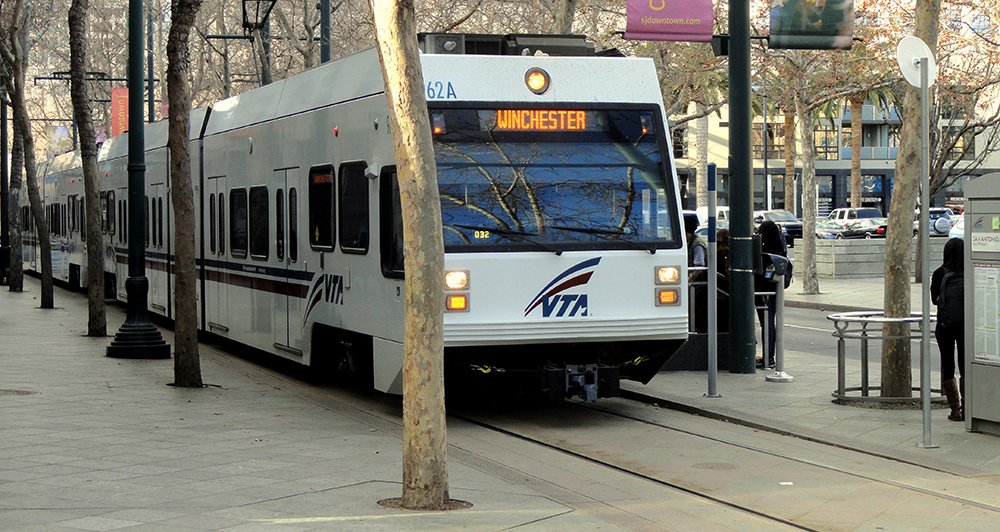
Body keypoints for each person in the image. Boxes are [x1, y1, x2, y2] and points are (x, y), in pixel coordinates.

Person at [932, 237, 965, 421]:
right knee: (965, 365)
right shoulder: (969, 271)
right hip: (965, 326)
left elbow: (933, 298)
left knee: (948, 365)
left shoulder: (939, 273)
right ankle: (968, 408)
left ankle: (955, 410)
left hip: (945, 325)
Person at [756, 220, 786, 368]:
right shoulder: (780, 249)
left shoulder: (765, 250)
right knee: (770, 323)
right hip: (774, 290)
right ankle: (770, 357)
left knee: (766, 324)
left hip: (763, 290)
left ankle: (768, 358)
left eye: (760, 232)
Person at [685, 214, 708, 333]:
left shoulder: (697, 244)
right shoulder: (690, 241)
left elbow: (699, 266)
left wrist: (689, 279)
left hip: (698, 286)